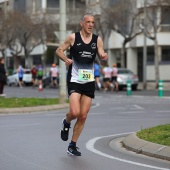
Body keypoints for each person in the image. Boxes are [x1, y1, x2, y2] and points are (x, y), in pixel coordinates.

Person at [56, 13, 108, 156]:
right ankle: (66, 122)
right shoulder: (73, 37)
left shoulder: (97, 40)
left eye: (93, 22)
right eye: (88, 22)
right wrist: (66, 59)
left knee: (83, 116)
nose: (91, 25)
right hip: (74, 79)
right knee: (74, 112)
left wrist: (103, 57)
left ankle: (72, 145)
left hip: (89, 80)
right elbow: (59, 50)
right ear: (82, 23)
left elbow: (101, 53)